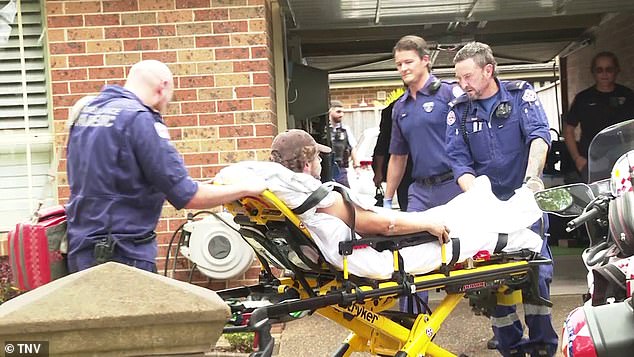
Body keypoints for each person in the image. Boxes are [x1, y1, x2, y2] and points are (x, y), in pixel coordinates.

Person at [217, 129, 545, 280]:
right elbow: (374, 225)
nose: (320, 162)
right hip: (377, 250)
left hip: (368, 244)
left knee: (472, 202)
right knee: (479, 223)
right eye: (317, 156)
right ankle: (527, 222)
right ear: (306, 161)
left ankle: (519, 209)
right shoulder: (317, 196)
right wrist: (424, 225)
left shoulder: (293, 193)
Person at [65, 60, 266, 273]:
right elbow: (187, 196)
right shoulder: (140, 119)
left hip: (81, 249)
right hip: (122, 253)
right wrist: (247, 188)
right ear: (162, 87)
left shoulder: (87, 113)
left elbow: (114, 178)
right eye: (170, 97)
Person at [446, 42, 558, 357]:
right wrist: (480, 197)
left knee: (536, 273)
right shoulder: (459, 111)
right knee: (494, 277)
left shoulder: (521, 97)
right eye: (458, 78)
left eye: (468, 76)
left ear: (488, 70)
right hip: (487, 206)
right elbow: (459, 162)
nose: (462, 84)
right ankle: (511, 346)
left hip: (525, 199)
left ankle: (543, 346)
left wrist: (531, 181)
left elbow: (539, 136)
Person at [384, 35, 463, 311]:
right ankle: (413, 325)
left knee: (474, 257)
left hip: (454, 185)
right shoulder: (400, 107)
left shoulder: (449, 94)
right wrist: (387, 199)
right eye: (398, 64)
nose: (403, 68)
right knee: (409, 254)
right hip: (420, 191)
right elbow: (398, 156)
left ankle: (504, 329)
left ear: (425, 61)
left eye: (408, 62)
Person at [563, 51, 634, 182]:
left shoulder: (628, 95)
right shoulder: (583, 98)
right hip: (593, 162)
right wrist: (577, 159)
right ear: (593, 72)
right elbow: (568, 130)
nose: (604, 73)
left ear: (617, 70)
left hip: (624, 160)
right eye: (599, 70)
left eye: (609, 69)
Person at [372, 100, 414, 211]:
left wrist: (379, 172)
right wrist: (379, 172)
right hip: (405, 172)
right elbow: (383, 143)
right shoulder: (394, 109)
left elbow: (382, 144)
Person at [329, 100, 359, 187]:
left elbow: (352, 147)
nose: (341, 114)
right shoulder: (324, 130)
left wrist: (356, 165)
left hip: (341, 168)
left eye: (343, 112)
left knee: (345, 194)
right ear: (330, 111)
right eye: (338, 112)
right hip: (326, 169)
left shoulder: (345, 129)